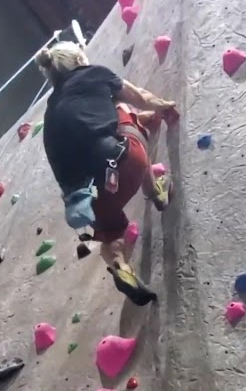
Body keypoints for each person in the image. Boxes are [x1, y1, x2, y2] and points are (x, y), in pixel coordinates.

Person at [35, 42, 177, 304]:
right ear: (79, 58)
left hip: (87, 201)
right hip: (123, 164)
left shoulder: (51, 111)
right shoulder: (94, 74)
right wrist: (165, 105)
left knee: (111, 235)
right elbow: (141, 98)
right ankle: (154, 190)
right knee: (121, 106)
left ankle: (120, 267)